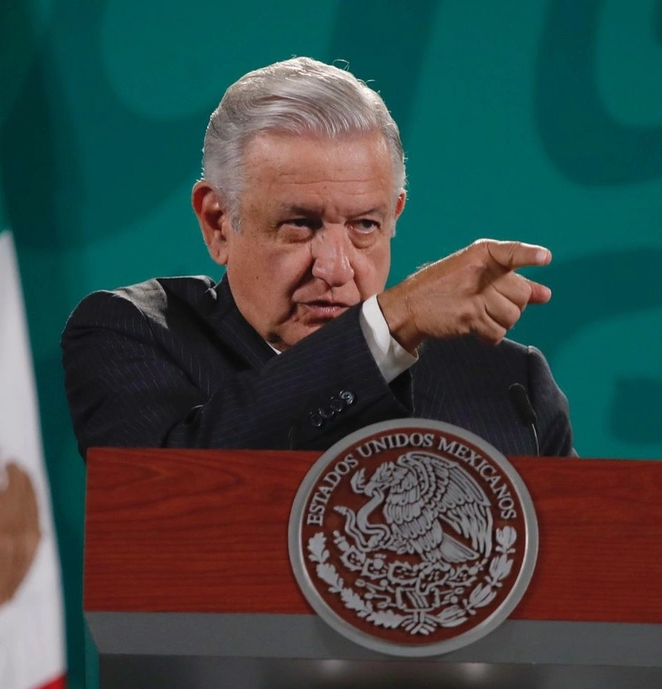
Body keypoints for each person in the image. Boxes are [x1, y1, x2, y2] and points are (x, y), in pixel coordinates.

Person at [61, 57, 574, 458]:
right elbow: (167, 488)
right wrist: (393, 320)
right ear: (218, 221)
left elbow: (578, 571)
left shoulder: (509, 384)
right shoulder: (133, 334)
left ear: (395, 215)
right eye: (299, 226)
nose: (335, 268)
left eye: (364, 226)